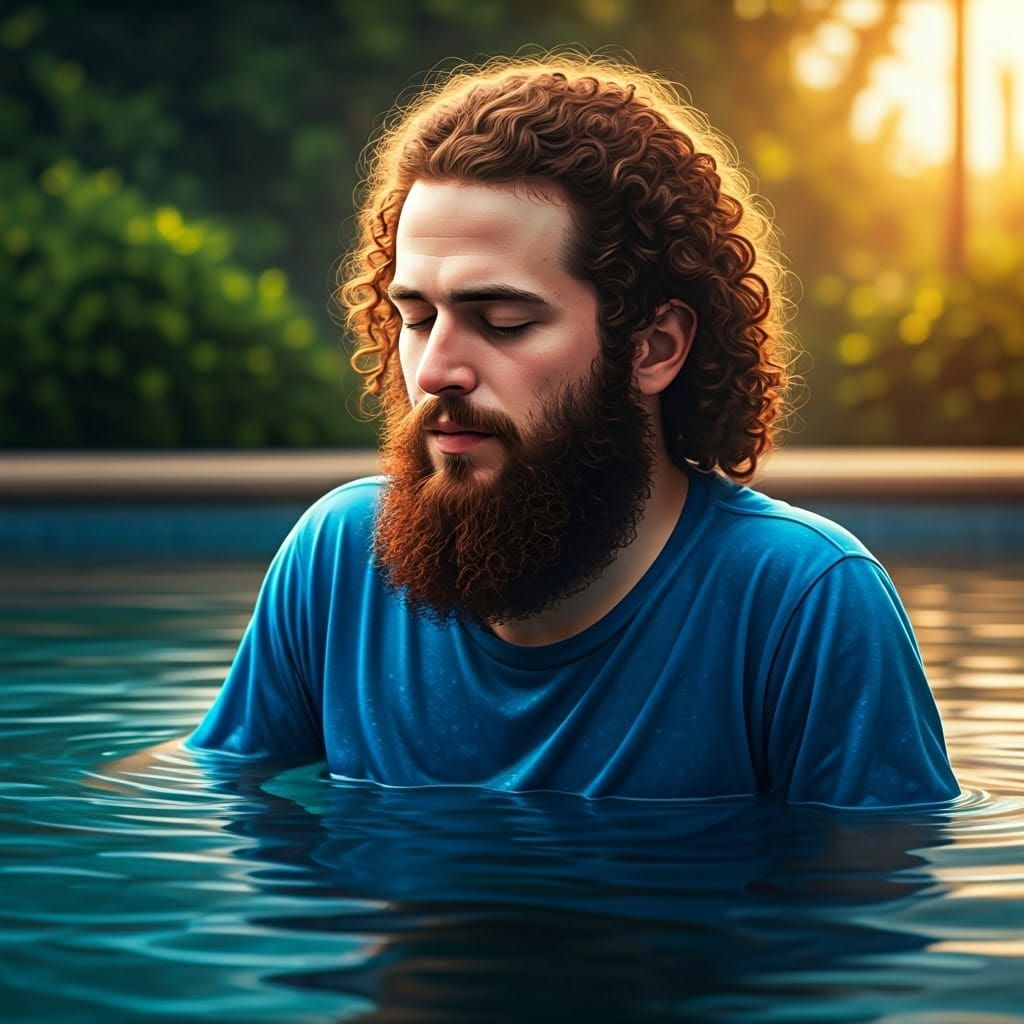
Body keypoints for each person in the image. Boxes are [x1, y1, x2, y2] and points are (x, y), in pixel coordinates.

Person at [186, 55, 958, 807]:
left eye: (505, 322)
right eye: (417, 318)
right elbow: (205, 812)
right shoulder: (338, 560)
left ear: (654, 346)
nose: (435, 371)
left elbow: (869, 918)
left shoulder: (803, 604)